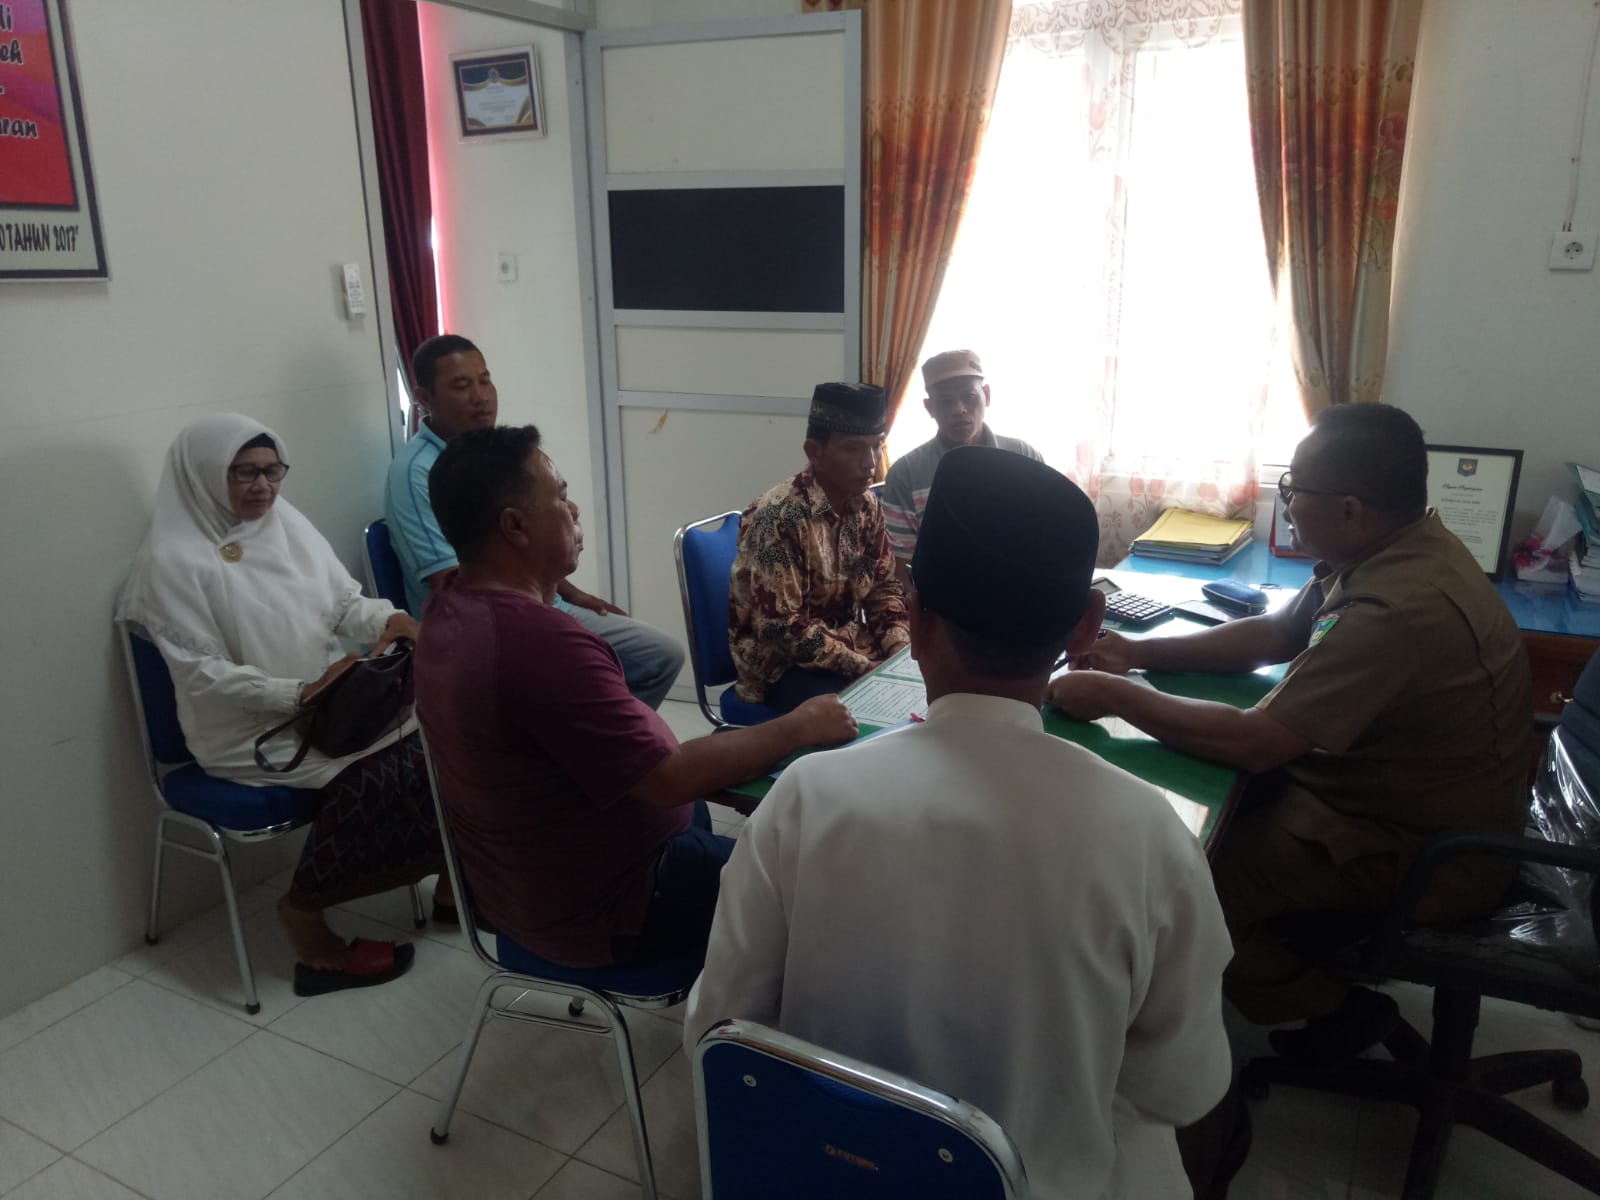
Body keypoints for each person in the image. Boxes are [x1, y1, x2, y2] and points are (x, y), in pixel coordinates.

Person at [687, 446, 1236, 1200]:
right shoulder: (1150, 839)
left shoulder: (805, 799)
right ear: (1084, 628)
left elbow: (717, 1034)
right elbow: (1183, 1089)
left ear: (913, 619)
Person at [1048, 403, 1532, 1063]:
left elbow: (1258, 742)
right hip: (1404, 801)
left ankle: (1336, 1008)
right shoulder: (1399, 549)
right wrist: (1135, 653)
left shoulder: (1396, 609)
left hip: (1424, 850)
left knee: (1183, 892)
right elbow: (1276, 634)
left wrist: (1115, 695)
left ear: (1352, 509)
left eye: (1294, 490)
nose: (1288, 504)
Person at [413, 425, 857, 967]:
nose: (574, 512)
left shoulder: (448, 606)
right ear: (515, 525)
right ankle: (757, 1035)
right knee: (832, 904)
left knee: (766, 839)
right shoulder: (538, 646)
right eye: (560, 496)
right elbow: (670, 777)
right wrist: (800, 725)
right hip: (614, 905)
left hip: (527, 886)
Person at [117, 414, 449, 996]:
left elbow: (345, 603)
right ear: (201, 476)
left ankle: (452, 884)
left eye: (273, 471)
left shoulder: (285, 524)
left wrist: (392, 619)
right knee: (384, 772)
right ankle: (307, 922)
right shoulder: (170, 564)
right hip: (244, 733)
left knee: (452, 738)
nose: (263, 486)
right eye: (244, 472)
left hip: (325, 708)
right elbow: (203, 677)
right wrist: (296, 693)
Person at [385, 334, 684, 709]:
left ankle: (598, 750)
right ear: (424, 398)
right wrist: (547, 625)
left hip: (539, 603)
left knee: (659, 655)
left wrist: (571, 594)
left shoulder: (489, 454)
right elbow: (451, 580)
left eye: (485, 380)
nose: (481, 397)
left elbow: (524, 541)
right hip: (486, 627)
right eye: (462, 386)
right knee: (640, 662)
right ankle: (597, 749)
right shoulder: (417, 473)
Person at [729, 382, 909, 711]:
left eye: (876, 446)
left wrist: (899, 649)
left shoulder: (867, 505)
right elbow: (782, 629)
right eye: (854, 449)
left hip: (849, 651)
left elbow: (883, 588)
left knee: (919, 696)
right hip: (782, 668)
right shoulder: (778, 517)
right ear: (814, 452)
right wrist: (863, 668)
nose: (870, 462)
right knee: (870, 716)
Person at [881, 348, 1043, 566]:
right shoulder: (905, 475)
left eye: (969, 396)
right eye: (946, 401)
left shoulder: (1025, 457)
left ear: (986, 395)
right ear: (929, 408)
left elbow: (1044, 537)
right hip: (940, 596)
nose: (959, 409)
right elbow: (903, 567)